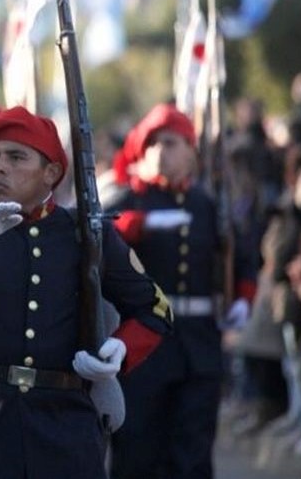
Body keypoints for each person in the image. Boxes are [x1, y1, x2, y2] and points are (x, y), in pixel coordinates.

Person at [0, 105, 172, 479]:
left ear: (51, 173)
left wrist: (120, 350)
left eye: (16, 157)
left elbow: (154, 310)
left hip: (65, 427)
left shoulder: (85, 233)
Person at [105, 103, 258, 478]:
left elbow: (241, 254)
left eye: (170, 143)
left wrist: (242, 298)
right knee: (139, 446)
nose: (160, 152)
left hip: (200, 341)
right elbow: (100, 233)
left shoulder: (208, 204)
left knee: (193, 447)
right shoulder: (132, 200)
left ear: (191, 151)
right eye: (153, 144)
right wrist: (142, 224)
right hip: (146, 343)